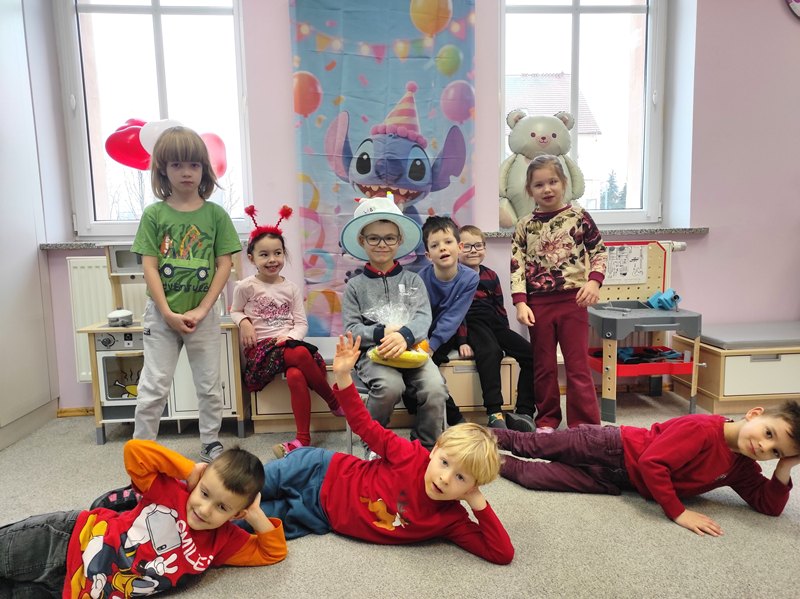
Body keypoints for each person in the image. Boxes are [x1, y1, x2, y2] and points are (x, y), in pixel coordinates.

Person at [250, 332, 514, 564]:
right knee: (241, 485)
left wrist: (477, 501)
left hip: (316, 514)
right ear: (434, 450)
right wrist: (343, 376)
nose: (445, 478)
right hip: (317, 469)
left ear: (471, 486)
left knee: (244, 519)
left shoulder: (452, 519)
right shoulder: (410, 455)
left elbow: (501, 553)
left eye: (461, 478)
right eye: (445, 462)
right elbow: (365, 426)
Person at [0, 440, 287, 597]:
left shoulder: (224, 541)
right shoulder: (171, 492)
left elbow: (272, 552)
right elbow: (134, 452)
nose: (204, 509)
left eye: (222, 508)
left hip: (73, 589)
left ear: (237, 514)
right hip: (67, 539)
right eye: (204, 493)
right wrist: (189, 471)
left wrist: (255, 514)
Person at [494, 401, 800, 536]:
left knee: (531, 476)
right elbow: (652, 463)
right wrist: (678, 512)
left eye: (775, 451)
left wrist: (785, 466)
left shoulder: (742, 466)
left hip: (613, 480)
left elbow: (769, 506)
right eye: (768, 433)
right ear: (754, 414)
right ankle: (473, 437)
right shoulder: (703, 429)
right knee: (528, 444)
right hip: (606, 445)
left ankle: (483, 460)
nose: (764, 446)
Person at [131, 126, 242, 462]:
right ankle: (142, 449)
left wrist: (203, 309)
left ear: (203, 169)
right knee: (153, 386)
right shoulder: (154, 214)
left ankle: (210, 442)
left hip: (203, 315)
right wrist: (167, 313)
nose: (186, 172)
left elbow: (224, 265)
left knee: (209, 384)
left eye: (193, 165)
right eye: (177, 165)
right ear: (163, 169)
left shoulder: (216, 215)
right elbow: (150, 267)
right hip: (161, 316)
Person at [231, 205, 344, 458]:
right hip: (262, 350)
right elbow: (235, 310)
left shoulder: (291, 288)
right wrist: (244, 322)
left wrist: (290, 337)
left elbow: (301, 323)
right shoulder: (246, 286)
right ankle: (333, 401)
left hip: (289, 345)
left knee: (295, 374)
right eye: (264, 255)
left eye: (278, 253)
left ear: (284, 254)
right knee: (300, 355)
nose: (272, 260)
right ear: (251, 258)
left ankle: (302, 439)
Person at [340, 196, 448, 454]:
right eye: (374, 238)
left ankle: (425, 446)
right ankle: (374, 444)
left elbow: (423, 317)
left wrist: (404, 336)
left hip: (413, 350)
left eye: (389, 238)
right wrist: (381, 332)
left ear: (399, 241)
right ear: (361, 241)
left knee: (435, 387)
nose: (382, 244)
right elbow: (351, 329)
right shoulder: (355, 286)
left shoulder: (413, 280)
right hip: (373, 354)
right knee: (390, 387)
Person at [511, 154, 607, 432]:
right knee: (544, 366)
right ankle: (547, 419)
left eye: (553, 181)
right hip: (538, 306)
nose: (547, 189)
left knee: (577, 365)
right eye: (539, 185)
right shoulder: (524, 225)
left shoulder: (579, 217)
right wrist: (520, 302)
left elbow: (599, 251)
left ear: (564, 183)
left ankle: (584, 423)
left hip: (573, 302)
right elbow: (517, 264)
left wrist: (594, 282)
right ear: (530, 190)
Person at [457, 225, 536, 432]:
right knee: (490, 352)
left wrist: (506, 334)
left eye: (478, 245)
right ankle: (494, 412)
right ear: (457, 248)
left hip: (493, 322)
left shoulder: (490, 275)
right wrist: (462, 341)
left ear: (484, 248)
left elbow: (500, 306)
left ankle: (524, 411)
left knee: (531, 354)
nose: (473, 250)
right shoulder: (455, 275)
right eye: (467, 246)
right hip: (472, 322)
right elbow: (456, 312)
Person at [417, 215, 479, 427]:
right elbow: (419, 315)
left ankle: (457, 421)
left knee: (428, 366)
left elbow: (454, 317)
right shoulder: (421, 278)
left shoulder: (470, 278)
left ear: (459, 247)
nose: (442, 248)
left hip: (446, 334)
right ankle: (440, 419)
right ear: (428, 255)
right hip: (421, 332)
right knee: (416, 370)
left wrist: (432, 346)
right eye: (435, 245)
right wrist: (423, 343)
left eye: (448, 242)